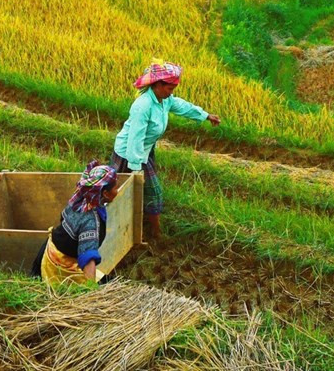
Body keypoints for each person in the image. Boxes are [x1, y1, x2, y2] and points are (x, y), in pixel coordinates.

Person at [110, 60, 221, 239]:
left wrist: (205, 115)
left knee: (145, 191)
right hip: (128, 153)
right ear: (157, 85)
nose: (171, 93)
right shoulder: (143, 106)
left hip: (145, 150)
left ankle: (150, 228)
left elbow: (182, 106)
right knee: (118, 191)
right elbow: (135, 139)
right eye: (169, 88)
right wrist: (136, 169)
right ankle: (143, 230)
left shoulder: (164, 100)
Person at [31, 162, 118, 285]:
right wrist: (91, 290)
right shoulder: (90, 221)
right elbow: (88, 257)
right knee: (104, 284)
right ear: (105, 194)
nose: (117, 191)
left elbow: (63, 218)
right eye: (115, 188)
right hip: (59, 265)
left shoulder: (81, 199)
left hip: (50, 249)